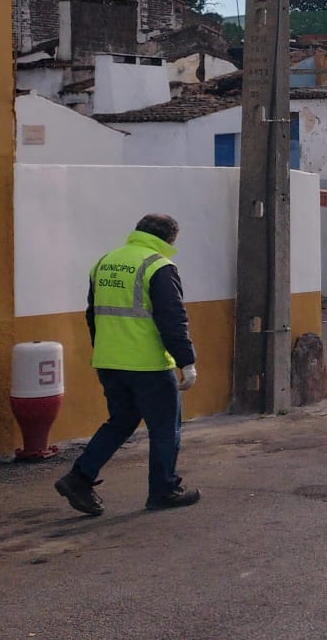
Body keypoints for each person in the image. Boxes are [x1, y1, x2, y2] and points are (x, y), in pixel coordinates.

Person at [54, 214, 202, 515]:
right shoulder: (159, 266)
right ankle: (164, 490)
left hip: (110, 362)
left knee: (120, 422)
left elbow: (91, 314)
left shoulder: (105, 262)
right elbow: (172, 320)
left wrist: (104, 351)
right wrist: (187, 362)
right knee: (164, 428)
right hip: (147, 366)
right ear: (169, 240)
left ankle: (79, 477)